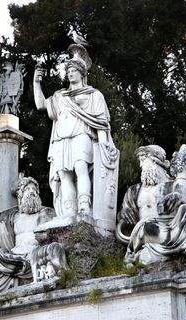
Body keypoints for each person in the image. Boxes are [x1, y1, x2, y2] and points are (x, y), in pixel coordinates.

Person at [33, 44, 119, 221]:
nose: (70, 73)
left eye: (73, 70)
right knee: (64, 174)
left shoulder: (94, 95)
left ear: (82, 73)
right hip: (61, 138)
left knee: (80, 167)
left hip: (82, 134)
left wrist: (103, 147)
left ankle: (84, 208)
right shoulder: (60, 96)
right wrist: (36, 82)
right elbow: (41, 104)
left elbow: (101, 123)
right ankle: (68, 212)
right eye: (68, 71)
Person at [0, 177, 66, 300]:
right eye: (28, 189)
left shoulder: (47, 213)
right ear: (20, 195)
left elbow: (57, 234)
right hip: (12, 255)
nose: (31, 191)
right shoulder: (13, 218)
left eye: (34, 189)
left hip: (33, 255)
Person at [116, 144, 186, 265]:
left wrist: (178, 196)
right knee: (147, 227)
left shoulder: (173, 185)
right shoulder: (134, 191)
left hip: (174, 229)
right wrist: (124, 213)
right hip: (150, 232)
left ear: (155, 161)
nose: (140, 165)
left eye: (143, 161)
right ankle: (183, 248)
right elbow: (124, 221)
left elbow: (185, 204)